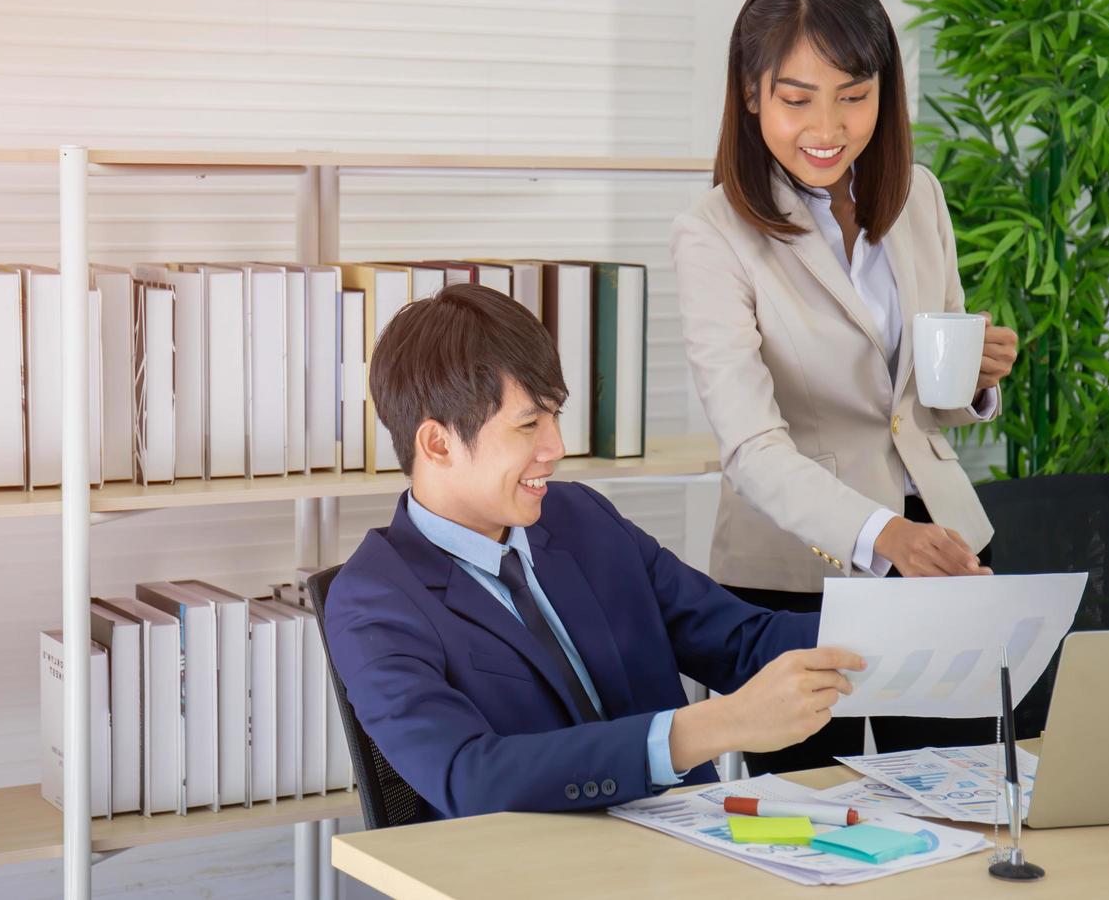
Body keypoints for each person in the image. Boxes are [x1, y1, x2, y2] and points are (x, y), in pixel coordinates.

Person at [323, 283, 864, 819]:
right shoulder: (373, 599)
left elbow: (742, 642)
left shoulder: (581, 518)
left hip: (693, 842)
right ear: (437, 443)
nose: (555, 449)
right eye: (528, 425)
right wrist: (715, 726)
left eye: (555, 417)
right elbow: (471, 775)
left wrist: (912, 623)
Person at [670, 0, 1020, 775]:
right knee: (806, 829)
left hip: (942, 548)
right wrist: (882, 537)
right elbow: (753, 448)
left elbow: (913, 404)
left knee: (960, 799)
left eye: (853, 96)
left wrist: (973, 384)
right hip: (798, 578)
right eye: (797, 98)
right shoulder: (712, 235)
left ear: (883, 92)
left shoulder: (919, 195)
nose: (826, 126)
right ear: (751, 94)